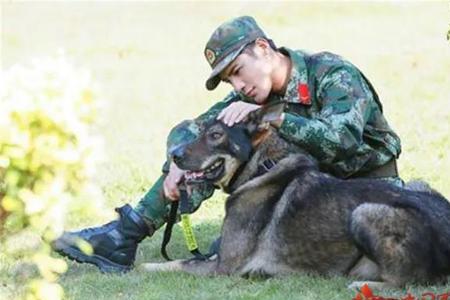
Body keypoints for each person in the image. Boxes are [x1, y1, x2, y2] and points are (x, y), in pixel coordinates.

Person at [53, 16, 402, 273]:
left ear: (263, 49)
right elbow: (193, 130)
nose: (238, 84)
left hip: (367, 191)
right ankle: (124, 235)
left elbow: (341, 141)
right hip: (305, 196)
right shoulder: (247, 97)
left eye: (237, 70)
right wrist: (177, 163)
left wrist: (274, 117)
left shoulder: (332, 74)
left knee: (238, 248)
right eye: (228, 79)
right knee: (213, 150)